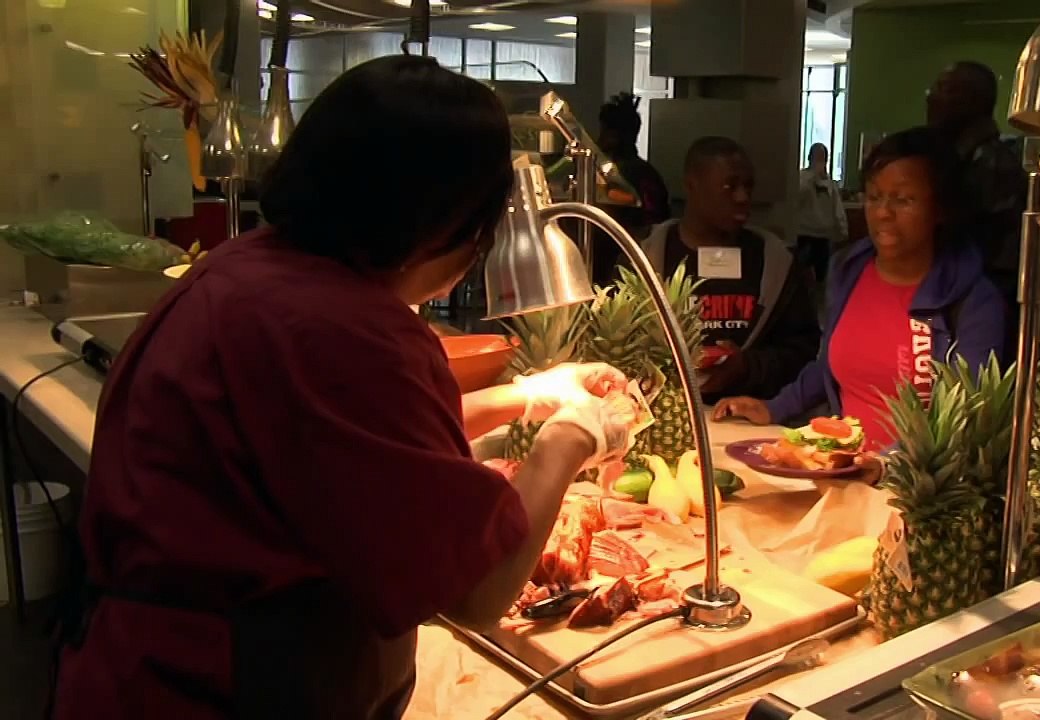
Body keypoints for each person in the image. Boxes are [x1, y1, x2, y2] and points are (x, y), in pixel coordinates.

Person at [50, 56, 636, 720]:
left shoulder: (250, 269)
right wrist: (572, 436)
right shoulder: (339, 329)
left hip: (144, 667)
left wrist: (527, 394)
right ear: (441, 224)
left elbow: (339, 445)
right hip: (212, 691)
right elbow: (478, 591)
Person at [713, 127, 1007, 472]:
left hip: (916, 485)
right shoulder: (848, 271)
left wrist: (884, 464)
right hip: (842, 475)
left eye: (903, 200)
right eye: (874, 196)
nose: (883, 213)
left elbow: (963, 419)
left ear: (941, 209)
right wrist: (774, 407)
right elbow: (829, 365)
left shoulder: (973, 301)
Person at [639, 136, 820, 401]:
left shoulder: (776, 262)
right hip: (666, 409)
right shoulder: (645, 257)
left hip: (753, 413)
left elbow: (802, 351)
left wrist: (747, 367)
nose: (742, 197)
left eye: (748, 186)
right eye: (729, 186)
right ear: (692, 186)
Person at [926, 61, 1026, 309]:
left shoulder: (993, 164)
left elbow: (963, 240)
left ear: (973, 101)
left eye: (945, 89)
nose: (931, 97)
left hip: (981, 304)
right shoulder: (958, 157)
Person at [592, 91, 671, 280]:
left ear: (612, 136)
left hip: (623, 263)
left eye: (603, 132)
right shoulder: (648, 173)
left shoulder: (621, 176)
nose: (599, 139)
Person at [796, 142, 849, 283]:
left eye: (823, 158)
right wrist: (812, 177)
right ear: (810, 158)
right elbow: (797, 199)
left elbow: (837, 209)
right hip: (804, 233)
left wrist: (842, 231)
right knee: (800, 274)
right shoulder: (801, 178)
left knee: (822, 277)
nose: (820, 161)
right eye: (817, 157)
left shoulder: (830, 184)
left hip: (823, 237)